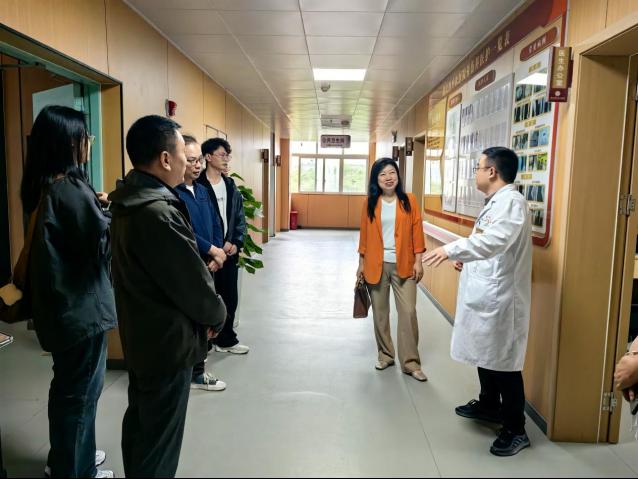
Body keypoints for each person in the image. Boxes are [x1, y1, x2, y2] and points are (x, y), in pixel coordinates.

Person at [108, 115, 227, 478]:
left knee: (143, 426)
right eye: (181, 154)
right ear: (164, 159)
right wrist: (216, 315)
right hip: (168, 342)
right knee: (159, 438)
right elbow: (192, 284)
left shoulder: (128, 201)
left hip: (143, 335)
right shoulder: (158, 213)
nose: (188, 162)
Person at [21, 105, 116, 478]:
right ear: (69, 142)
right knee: (80, 396)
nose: (88, 143)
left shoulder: (45, 185)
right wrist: (110, 214)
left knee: (67, 391)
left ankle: (69, 459)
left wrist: (96, 206)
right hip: (81, 312)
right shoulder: (70, 190)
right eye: (84, 137)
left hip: (61, 311)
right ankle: (75, 470)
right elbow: (101, 247)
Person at [423, 146, 532, 457]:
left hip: (502, 299)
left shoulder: (511, 202)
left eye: (478, 167)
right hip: (488, 293)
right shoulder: (496, 202)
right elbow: (486, 243)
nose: (476, 173)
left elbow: (496, 241)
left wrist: (451, 250)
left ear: (492, 172)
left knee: (504, 364)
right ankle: (489, 405)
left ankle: (516, 428)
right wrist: (468, 260)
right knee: (487, 354)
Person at [356, 158, 427, 382]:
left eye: (392, 172)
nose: (388, 177)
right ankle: (386, 355)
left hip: (404, 264)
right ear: (376, 179)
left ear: (398, 175)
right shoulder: (370, 203)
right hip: (375, 264)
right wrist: (360, 264)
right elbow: (364, 235)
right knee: (380, 313)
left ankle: (411, 363)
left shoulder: (409, 200)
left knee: (408, 312)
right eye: (383, 174)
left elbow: (417, 232)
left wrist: (419, 261)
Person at [175, 135, 227, 391]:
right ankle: (193, 372)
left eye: (199, 161)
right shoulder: (174, 195)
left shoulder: (203, 191)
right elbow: (186, 232)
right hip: (190, 266)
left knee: (205, 318)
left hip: (209, 264)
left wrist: (216, 254)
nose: (197, 166)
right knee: (191, 320)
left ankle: (199, 369)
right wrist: (212, 250)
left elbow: (216, 223)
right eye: (191, 160)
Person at [197, 138, 249, 354]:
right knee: (209, 297)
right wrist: (215, 247)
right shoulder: (198, 186)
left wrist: (236, 242)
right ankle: (207, 341)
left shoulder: (230, 185)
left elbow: (239, 217)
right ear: (208, 157)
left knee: (230, 296)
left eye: (228, 155)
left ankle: (226, 339)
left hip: (229, 252)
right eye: (222, 155)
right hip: (209, 253)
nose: (226, 159)